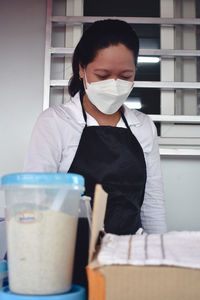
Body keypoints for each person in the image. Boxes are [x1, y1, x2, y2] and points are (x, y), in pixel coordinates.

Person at [24, 19, 167, 288]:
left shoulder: (143, 125)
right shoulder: (56, 122)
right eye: (102, 75)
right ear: (82, 69)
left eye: (125, 76)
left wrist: (161, 261)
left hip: (128, 260)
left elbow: (152, 203)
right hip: (66, 262)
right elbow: (35, 203)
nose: (114, 84)